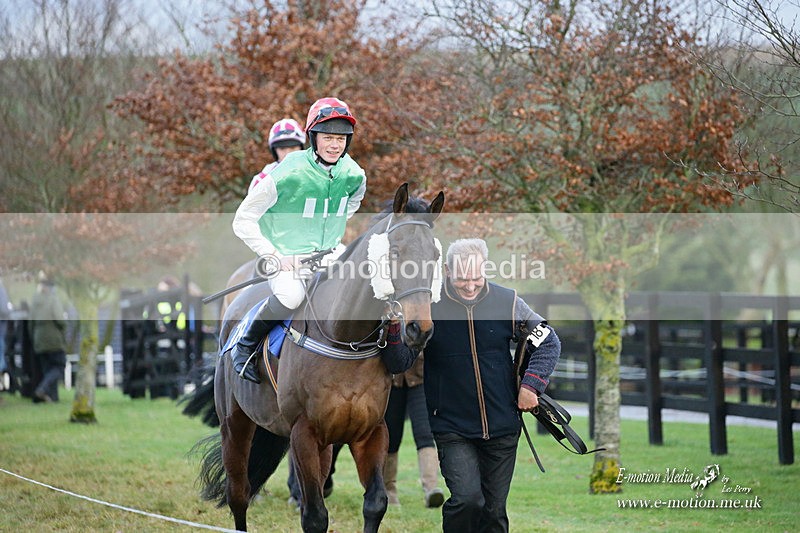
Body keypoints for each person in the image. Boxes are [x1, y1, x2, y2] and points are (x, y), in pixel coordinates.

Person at [422, 238, 561, 533]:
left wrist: (531, 385)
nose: (470, 286)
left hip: (502, 426)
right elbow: (399, 360)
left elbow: (548, 340)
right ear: (447, 270)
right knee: (467, 500)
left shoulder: (507, 302)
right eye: (462, 280)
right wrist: (395, 329)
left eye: (476, 278)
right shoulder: (429, 306)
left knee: (495, 513)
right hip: (452, 426)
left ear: (485, 269)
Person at [230, 97, 366, 383]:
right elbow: (242, 219)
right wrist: (276, 255)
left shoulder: (355, 174)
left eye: (341, 139)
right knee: (292, 296)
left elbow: (351, 204)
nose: (334, 145)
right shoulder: (287, 172)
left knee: (366, 282)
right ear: (313, 138)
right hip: (285, 256)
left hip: (329, 252)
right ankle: (244, 346)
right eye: (328, 137)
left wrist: (327, 230)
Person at [383, 354, 445, 507]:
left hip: (420, 377)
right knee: (391, 437)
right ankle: (388, 491)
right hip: (392, 378)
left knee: (425, 433)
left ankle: (431, 489)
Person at [28, 271, 68, 403]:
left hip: (38, 339)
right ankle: (42, 389)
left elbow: (30, 324)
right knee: (59, 367)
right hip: (53, 339)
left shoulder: (34, 300)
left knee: (47, 370)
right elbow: (60, 320)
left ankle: (53, 399)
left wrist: (34, 339)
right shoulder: (53, 299)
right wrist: (64, 330)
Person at [248, 118, 307, 193]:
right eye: (282, 148)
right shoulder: (261, 181)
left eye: (292, 147)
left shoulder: (316, 174)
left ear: (301, 148)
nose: (288, 153)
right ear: (274, 151)